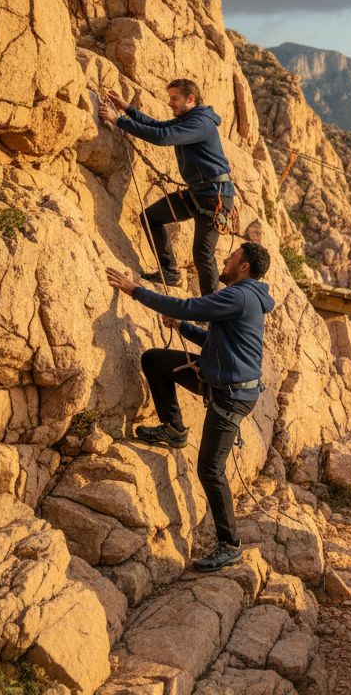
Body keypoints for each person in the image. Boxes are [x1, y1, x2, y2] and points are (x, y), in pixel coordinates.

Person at [104, 242, 273, 573]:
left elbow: (186, 306)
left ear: (244, 267)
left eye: (232, 258)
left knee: (210, 469)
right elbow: (219, 344)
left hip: (231, 396)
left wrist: (134, 290)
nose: (224, 260)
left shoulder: (239, 296)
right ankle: (174, 429)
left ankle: (230, 545)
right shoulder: (246, 296)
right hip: (219, 380)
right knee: (154, 360)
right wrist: (183, 328)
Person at [98, 79, 236, 296]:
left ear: (190, 99)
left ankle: (211, 307)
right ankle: (169, 272)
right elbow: (159, 126)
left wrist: (118, 120)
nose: (170, 103)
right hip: (199, 192)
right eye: (170, 98)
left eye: (175, 98)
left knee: (203, 255)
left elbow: (162, 137)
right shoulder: (189, 119)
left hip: (214, 196)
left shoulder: (200, 123)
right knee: (150, 217)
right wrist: (128, 109)